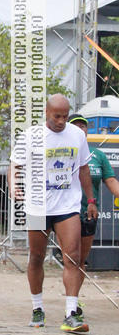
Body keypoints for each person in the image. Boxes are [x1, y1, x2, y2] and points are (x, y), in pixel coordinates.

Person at [8, 95, 97, 334]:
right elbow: (14, 165)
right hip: (37, 206)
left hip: (67, 206)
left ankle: (71, 313)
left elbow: (84, 169)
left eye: (65, 116)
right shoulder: (30, 136)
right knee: (37, 257)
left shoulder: (77, 136)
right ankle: (38, 307)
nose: (61, 121)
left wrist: (90, 200)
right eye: (56, 116)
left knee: (74, 257)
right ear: (46, 112)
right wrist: (13, 185)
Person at [68, 114, 119, 268]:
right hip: (65, 211)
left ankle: (74, 292)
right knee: (71, 258)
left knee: (80, 261)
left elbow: (110, 180)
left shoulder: (98, 155)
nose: (80, 129)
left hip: (88, 211)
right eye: (75, 126)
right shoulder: (61, 151)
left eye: (83, 126)